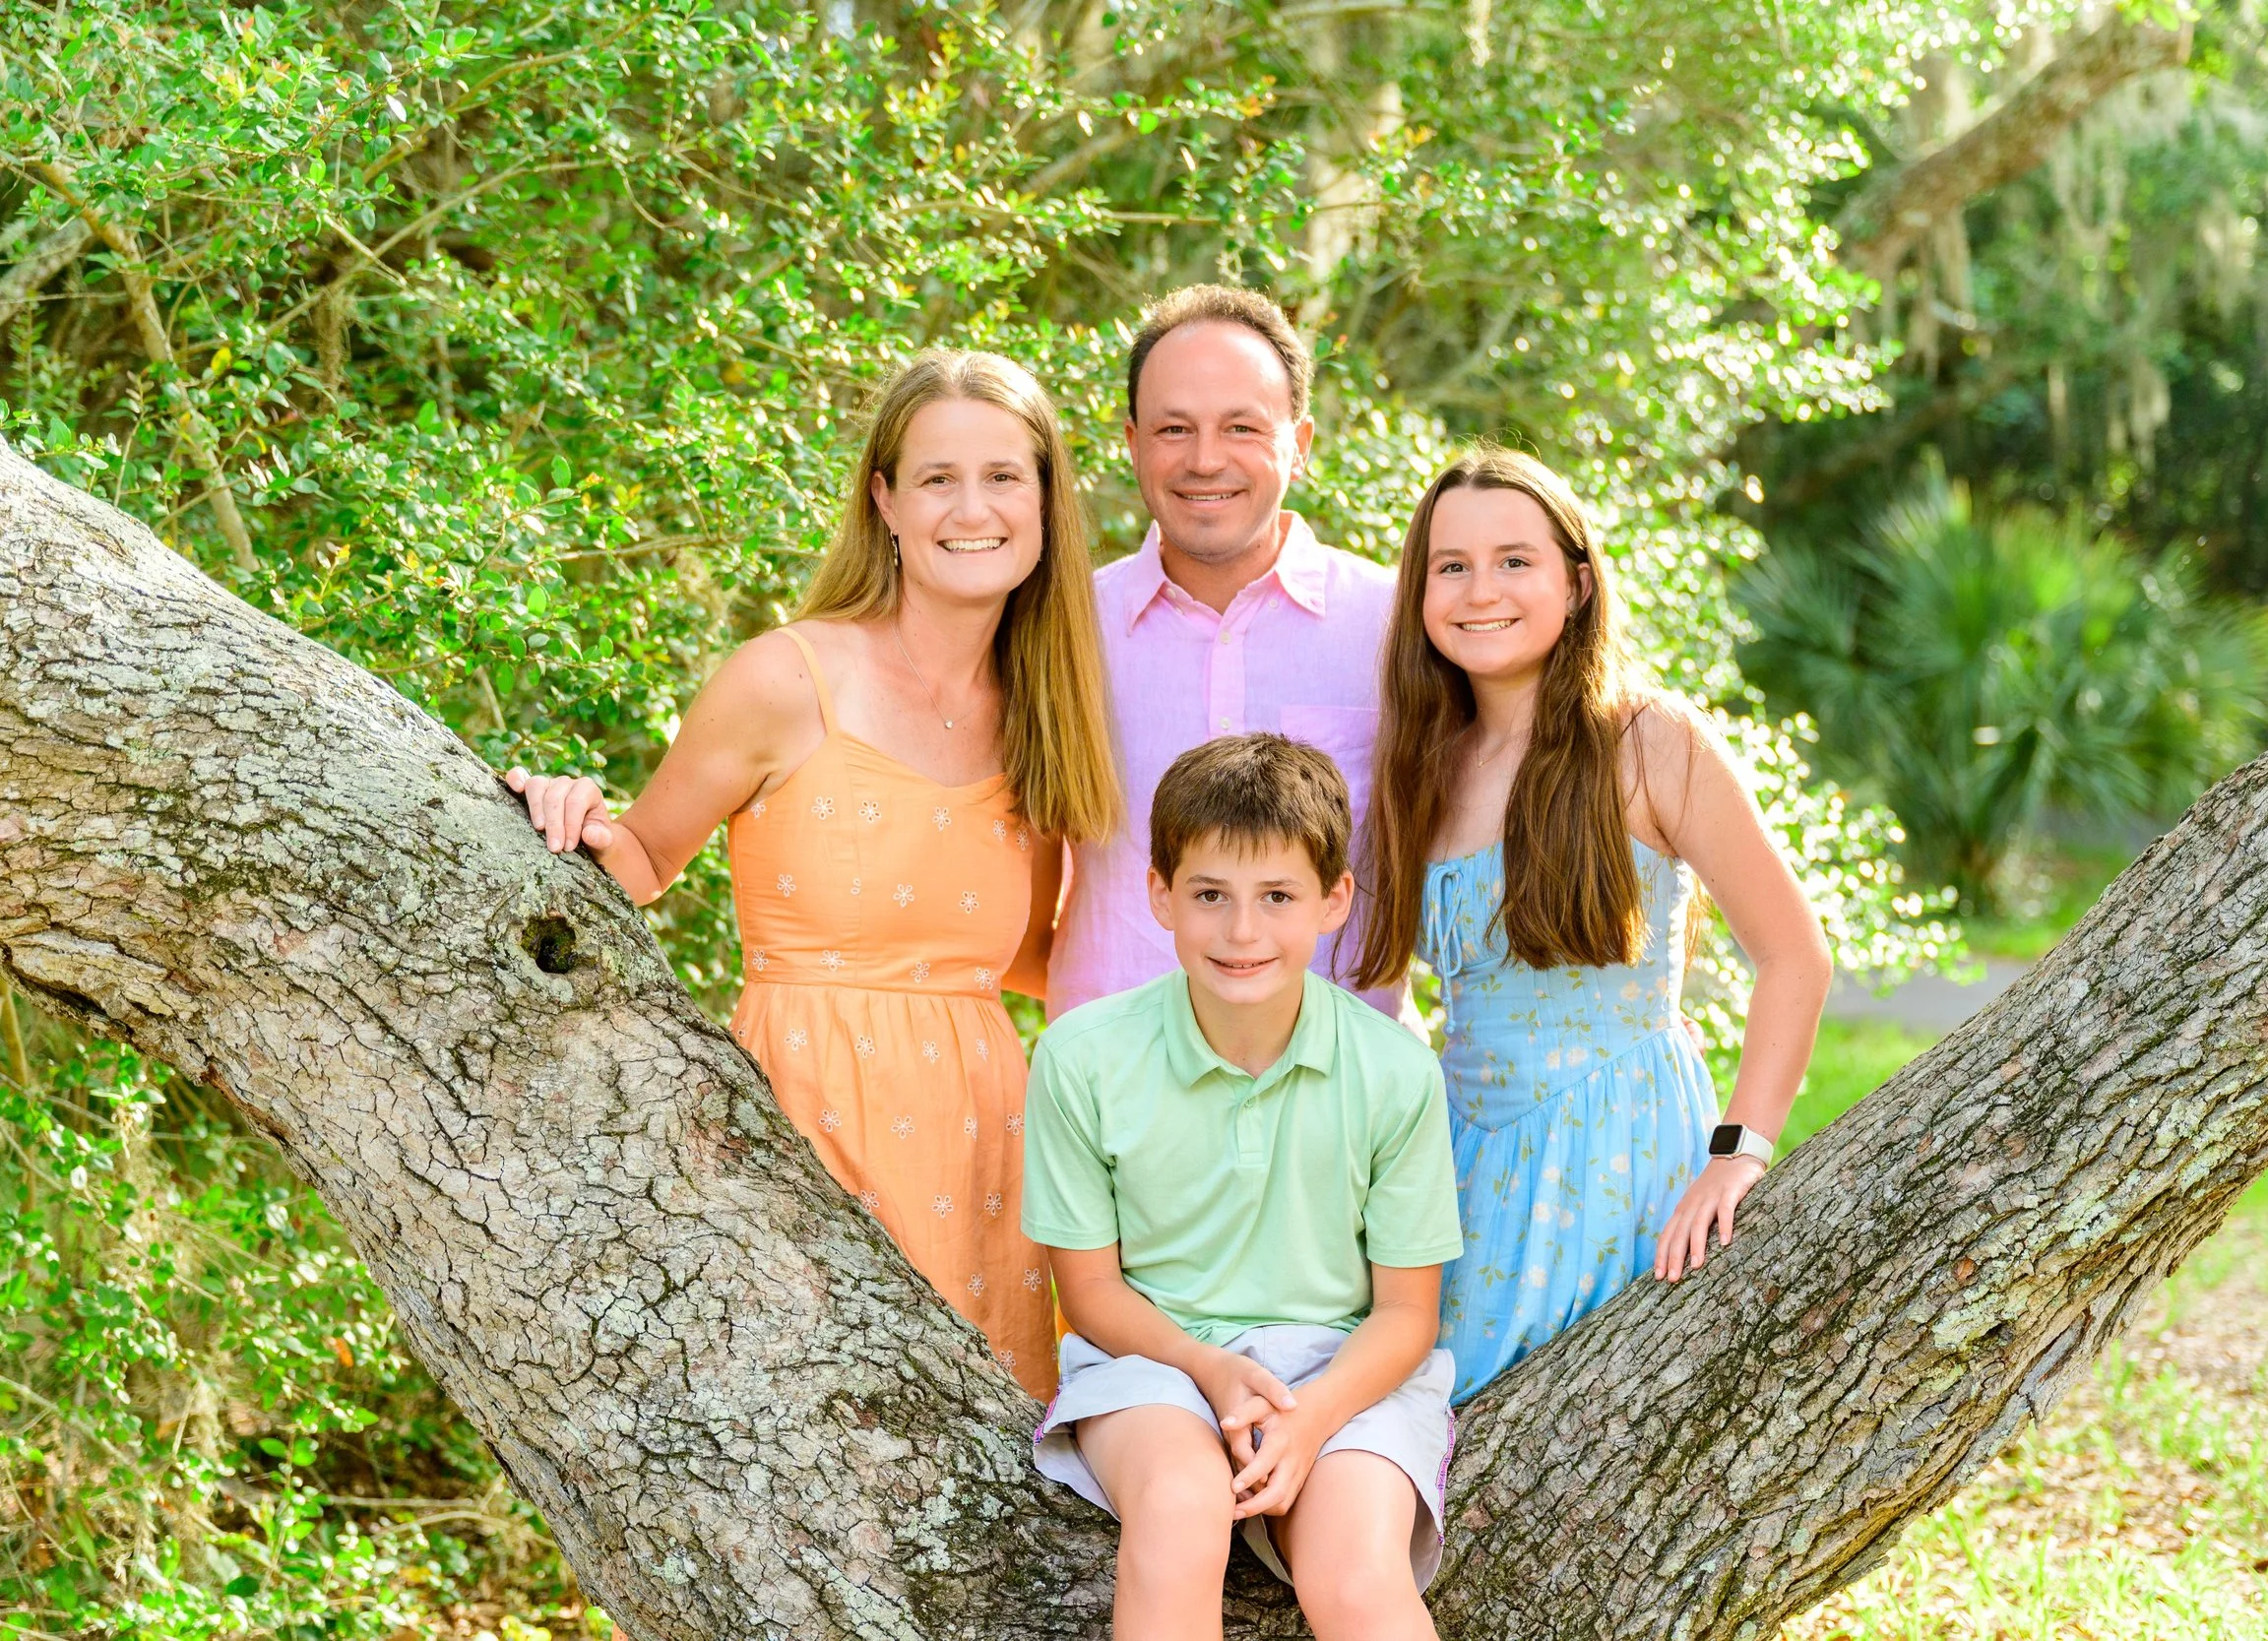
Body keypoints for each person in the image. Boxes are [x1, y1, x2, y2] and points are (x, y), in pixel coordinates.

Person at [504, 350, 1120, 1400]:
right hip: (803, 1119)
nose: (972, 508)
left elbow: (1034, 962)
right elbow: (644, 859)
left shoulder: (1045, 711)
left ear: (1048, 500)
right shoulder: (786, 678)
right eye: (936, 478)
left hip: (990, 1148)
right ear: (884, 499)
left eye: (1005, 476)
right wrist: (563, 807)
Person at [1353, 447, 1832, 1403]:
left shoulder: (1648, 740)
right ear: (1419, 592)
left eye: (1513, 560)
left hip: (1618, 1141)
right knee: (1440, 1426)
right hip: (1465, 1156)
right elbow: (1393, 996)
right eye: (1450, 565)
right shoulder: (1422, 764)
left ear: (1575, 582)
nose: (1478, 589)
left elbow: (1793, 954)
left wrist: (1740, 1151)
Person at [1026, 735, 1461, 1639]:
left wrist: (1310, 1421)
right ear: (1159, 895)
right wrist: (1213, 1369)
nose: (1242, 932)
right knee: (1180, 1513)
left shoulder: (1394, 1070)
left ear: (1334, 900)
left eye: (1277, 897)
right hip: (1154, 1362)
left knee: (1355, 1574)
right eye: (1209, 895)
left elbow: (1406, 1313)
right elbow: (1092, 1290)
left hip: (1343, 1372)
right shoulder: (1083, 1055)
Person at [1045, 284, 1402, 1019]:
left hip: (1337, 1097)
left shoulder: (1396, 625)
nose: (1205, 460)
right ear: (1132, 442)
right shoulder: (1057, 627)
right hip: (1115, 1093)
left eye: (1241, 427)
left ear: (1299, 446)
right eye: (1174, 429)